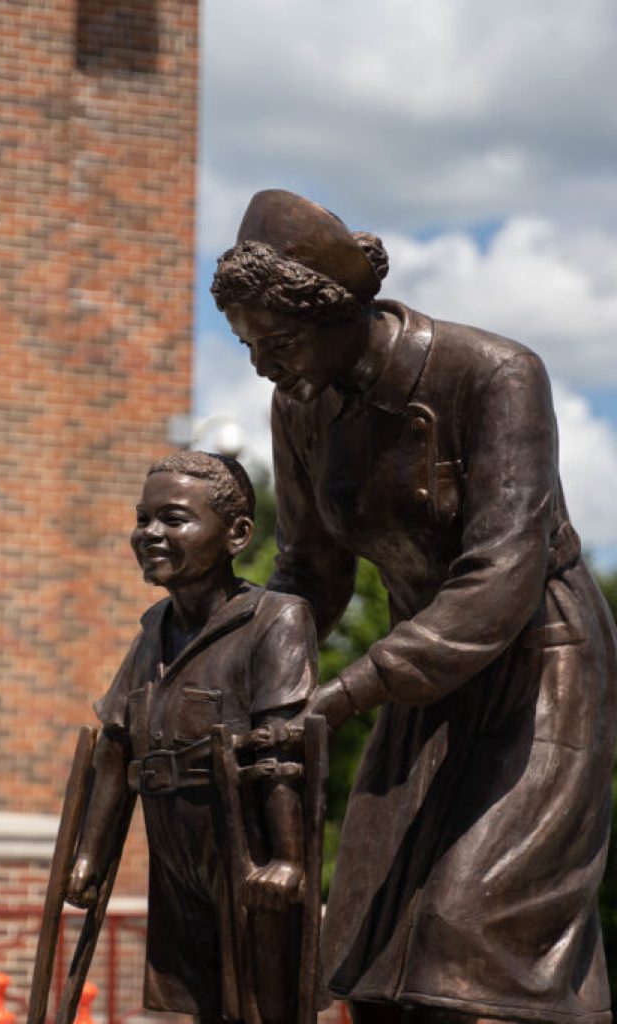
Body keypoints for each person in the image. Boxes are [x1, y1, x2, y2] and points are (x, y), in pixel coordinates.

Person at [211, 189, 617, 1024]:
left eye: (276, 342)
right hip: (417, 677)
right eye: (248, 345)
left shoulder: (495, 374)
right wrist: (233, 664)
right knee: (369, 939)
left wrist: (339, 695)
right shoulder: (299, 406)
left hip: (537, 666)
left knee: (470, 933)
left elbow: (502, 575)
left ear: (338, 315)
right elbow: (308, 574)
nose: (263, 366)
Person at [66, 450, 318, 1024]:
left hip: (244, 851)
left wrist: (287, 858)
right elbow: (115, 749)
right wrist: (91, 855)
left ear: (236, 534)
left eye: (173, 519)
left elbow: (283, 748)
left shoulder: (274, 620)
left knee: (260, 1006)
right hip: (173, 853)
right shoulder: (154, 628)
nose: (150, 533)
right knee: (195, 1006)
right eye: (142, 519)